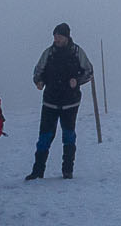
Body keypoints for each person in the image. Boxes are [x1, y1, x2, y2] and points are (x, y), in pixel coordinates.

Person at [26, 22, 93, 180]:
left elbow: (89, 71)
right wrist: (39, 81)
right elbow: (38, 71)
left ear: (66, 37)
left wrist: (77, 81)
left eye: (59, 36)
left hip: (71, 102)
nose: (56, 39)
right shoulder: (49, 53)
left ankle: (67, 171)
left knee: (68, 135)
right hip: (50, 101)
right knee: (45, 136)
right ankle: (37, 172)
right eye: (55, 36)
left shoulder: (77, 52)